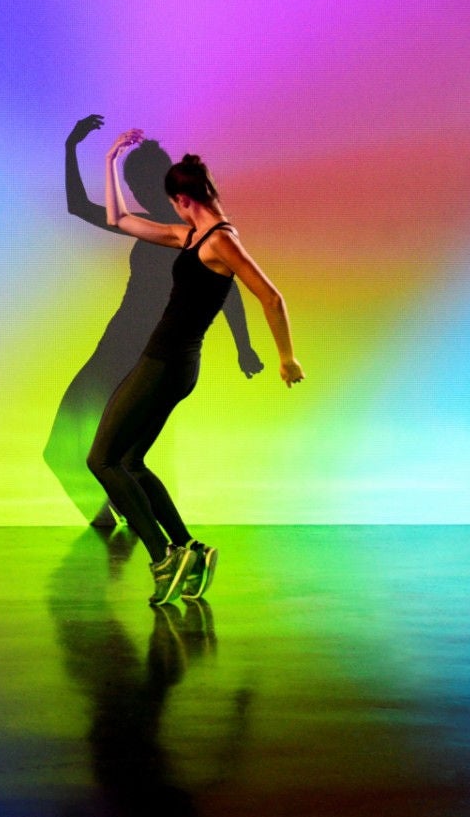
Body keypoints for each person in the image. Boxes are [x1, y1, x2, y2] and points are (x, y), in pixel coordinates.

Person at [86, 128, 303, 606]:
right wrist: (109, 160)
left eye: (175, 203)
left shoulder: (220, 242)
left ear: (184, 199)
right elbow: (117, 218)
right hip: (176, 364)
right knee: (131, 462)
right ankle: (189, 550)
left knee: (100, 460)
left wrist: (286, 358)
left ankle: (163, 558)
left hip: (165, 362)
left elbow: (271, 296)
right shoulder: (192, 235)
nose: (174, 212)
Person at [45, 114, 264, 531]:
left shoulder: (188, 236)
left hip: (144, 353)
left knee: (104, 455)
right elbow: (89, 209)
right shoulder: (168, 231)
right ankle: (136, 528)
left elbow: (230, 290)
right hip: (128, 347)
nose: (136, 191)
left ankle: (144, 536)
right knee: (110, 455)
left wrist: (244, 345)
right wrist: (74, 148)